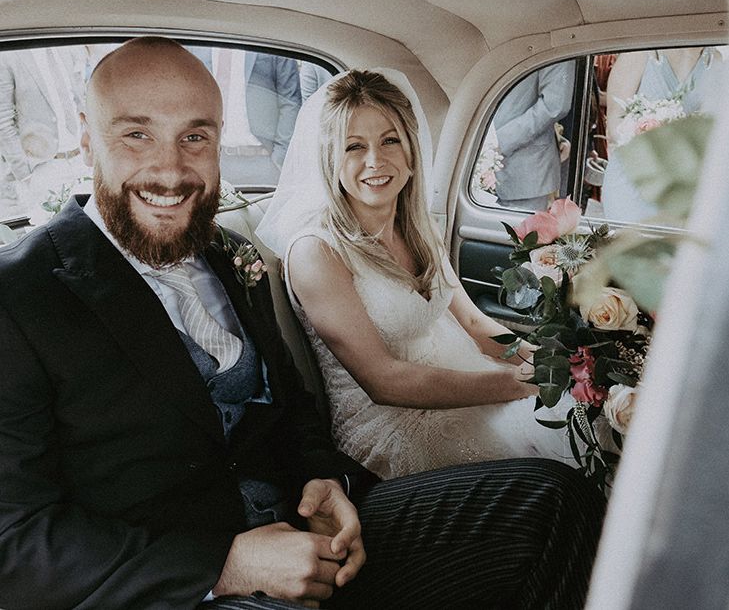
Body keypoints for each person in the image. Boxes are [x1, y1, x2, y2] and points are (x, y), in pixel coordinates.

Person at [0, 38, 604, 609]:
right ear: (85, 140)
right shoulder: (18, 294)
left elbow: (291, 408)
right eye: (136, 134)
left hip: (313, 534)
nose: (170, 170)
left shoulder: (228, 256)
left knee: (554, 500)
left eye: (195, 137)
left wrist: (324, 481)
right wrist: (224, 566)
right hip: (176, 583)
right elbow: (14, 541)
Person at [257, 69, 578, 481]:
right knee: (548, 468)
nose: (375, 160)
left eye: (389, 140)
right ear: (331, 159)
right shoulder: (316, 251)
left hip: (463, 381)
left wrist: (544, 363)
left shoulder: (417, 227)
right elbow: (384, 382)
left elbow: (476, 325)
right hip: (390, 427)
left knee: (582, 420)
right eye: (354, 146)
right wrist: (518, 384)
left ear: (410, 152)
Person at [602, 47, 722, 223]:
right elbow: (614, 122)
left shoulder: (715, 59)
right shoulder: (639, 52)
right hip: (633, 180)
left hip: (682, 188)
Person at [187, 45, 302, 186]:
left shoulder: (268, 38)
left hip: (263, 162)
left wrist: (280, 157)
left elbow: (290, 101)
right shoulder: (196, 46)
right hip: (214, 161)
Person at [0, 44, 88, 220]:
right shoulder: (9, 57)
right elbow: (3, 120)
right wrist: (26, 174)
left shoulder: (67, 47)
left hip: (82, 161)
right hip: (45, 167)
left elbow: (82, 99)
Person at [492, 60, 575, 211]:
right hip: (470, 164)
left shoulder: (556, 40)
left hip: (525, 173)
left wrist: (498, 142)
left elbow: (554, 105)